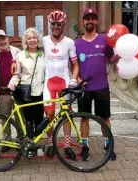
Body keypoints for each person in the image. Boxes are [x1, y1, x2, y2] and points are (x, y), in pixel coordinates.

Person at [75, 8, 118, 161]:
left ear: (97, 21)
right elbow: (73, 66)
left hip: (102, 86)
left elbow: (111, 60)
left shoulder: (105, 40)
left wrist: (119, 56)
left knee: (104, 118)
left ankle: (108, 145)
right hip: (84, 87)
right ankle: (85, 146)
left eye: (93, 18)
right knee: (84, 118)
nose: (90, 21)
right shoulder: (77, 43)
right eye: (87, 19)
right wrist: (78, 78)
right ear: (83, 22)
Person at [43, 10, 79, 160]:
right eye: (53, 24)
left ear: (63, 25)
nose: (56, 27)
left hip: (64, 83)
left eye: (59, 24)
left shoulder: (70, 42)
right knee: (49, 114)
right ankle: (52, 143)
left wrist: (74, 79)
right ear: (50, 24)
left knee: (66, 115)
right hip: (48, 83)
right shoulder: (43, 40)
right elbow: (29, 50)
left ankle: (68, 145)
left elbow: (75, 64)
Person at [8, 27, 45, 139]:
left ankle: (37, 143)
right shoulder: (20, 56)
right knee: (29, 121)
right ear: (25, 41)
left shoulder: (44, 54)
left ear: (38, 39)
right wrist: (12, 83)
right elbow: (17, 74)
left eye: (34, 38)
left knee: (39, 120)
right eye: (29, 38)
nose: (32, 40)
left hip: (41, 92)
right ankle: (30, 145)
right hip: (27, 92)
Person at [0, 29, 21, 153]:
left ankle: (21, 140)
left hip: (18, 91)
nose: (2, 42)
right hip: (3, 92)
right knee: (5, 118)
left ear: (7, 38)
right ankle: (7, 140)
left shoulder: (17, 52)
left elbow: (22, 70)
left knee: (20, 118)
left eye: (3, 38)